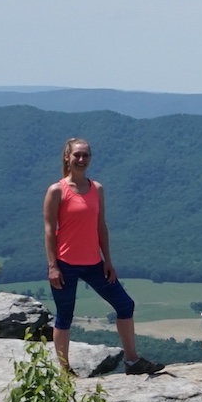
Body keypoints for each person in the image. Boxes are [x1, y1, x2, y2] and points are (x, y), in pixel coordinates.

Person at [43, 136, 161, 376]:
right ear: (67, 157)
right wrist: (52, 265)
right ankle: (65, 371)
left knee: (125, 305)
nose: (81, 159)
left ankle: (132, 361)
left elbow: (100, 226)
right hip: (65, 264)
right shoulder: (57, 191)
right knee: (65, 316)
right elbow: (49, 230)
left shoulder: (96, 189)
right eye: (77, 155)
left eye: (86, 155)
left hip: (94, 263)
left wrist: (108, 260)